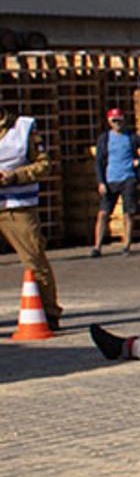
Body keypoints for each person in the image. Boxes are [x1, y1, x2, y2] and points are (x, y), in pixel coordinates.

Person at [0, 104, 59, 328]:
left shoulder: (23, 127)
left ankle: (49, 312)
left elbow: (44, 165)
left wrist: (15, 176)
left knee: (33, 258)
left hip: (17, 206)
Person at [92, 108, 140, 257]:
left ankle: (126, 245)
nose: (117, 124)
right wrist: (101, 182)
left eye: (119, 120)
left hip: (128, 178)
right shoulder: (105, 139)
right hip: (110, 179)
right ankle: (97, 247)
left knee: (128, 213)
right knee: (103, 213)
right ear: (109, 122)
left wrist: (139, 161)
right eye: (114, 121)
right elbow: (98, 162)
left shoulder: (131, 137)